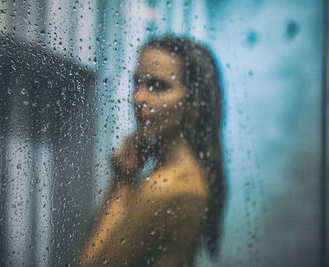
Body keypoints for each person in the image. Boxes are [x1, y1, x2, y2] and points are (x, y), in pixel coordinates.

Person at [78, 36, 226, 267]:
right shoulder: (187, 173)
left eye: (158, 86)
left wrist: (123, 184)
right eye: (137, 83)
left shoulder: (168, 185)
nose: (139, 98)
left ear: (193, 99)